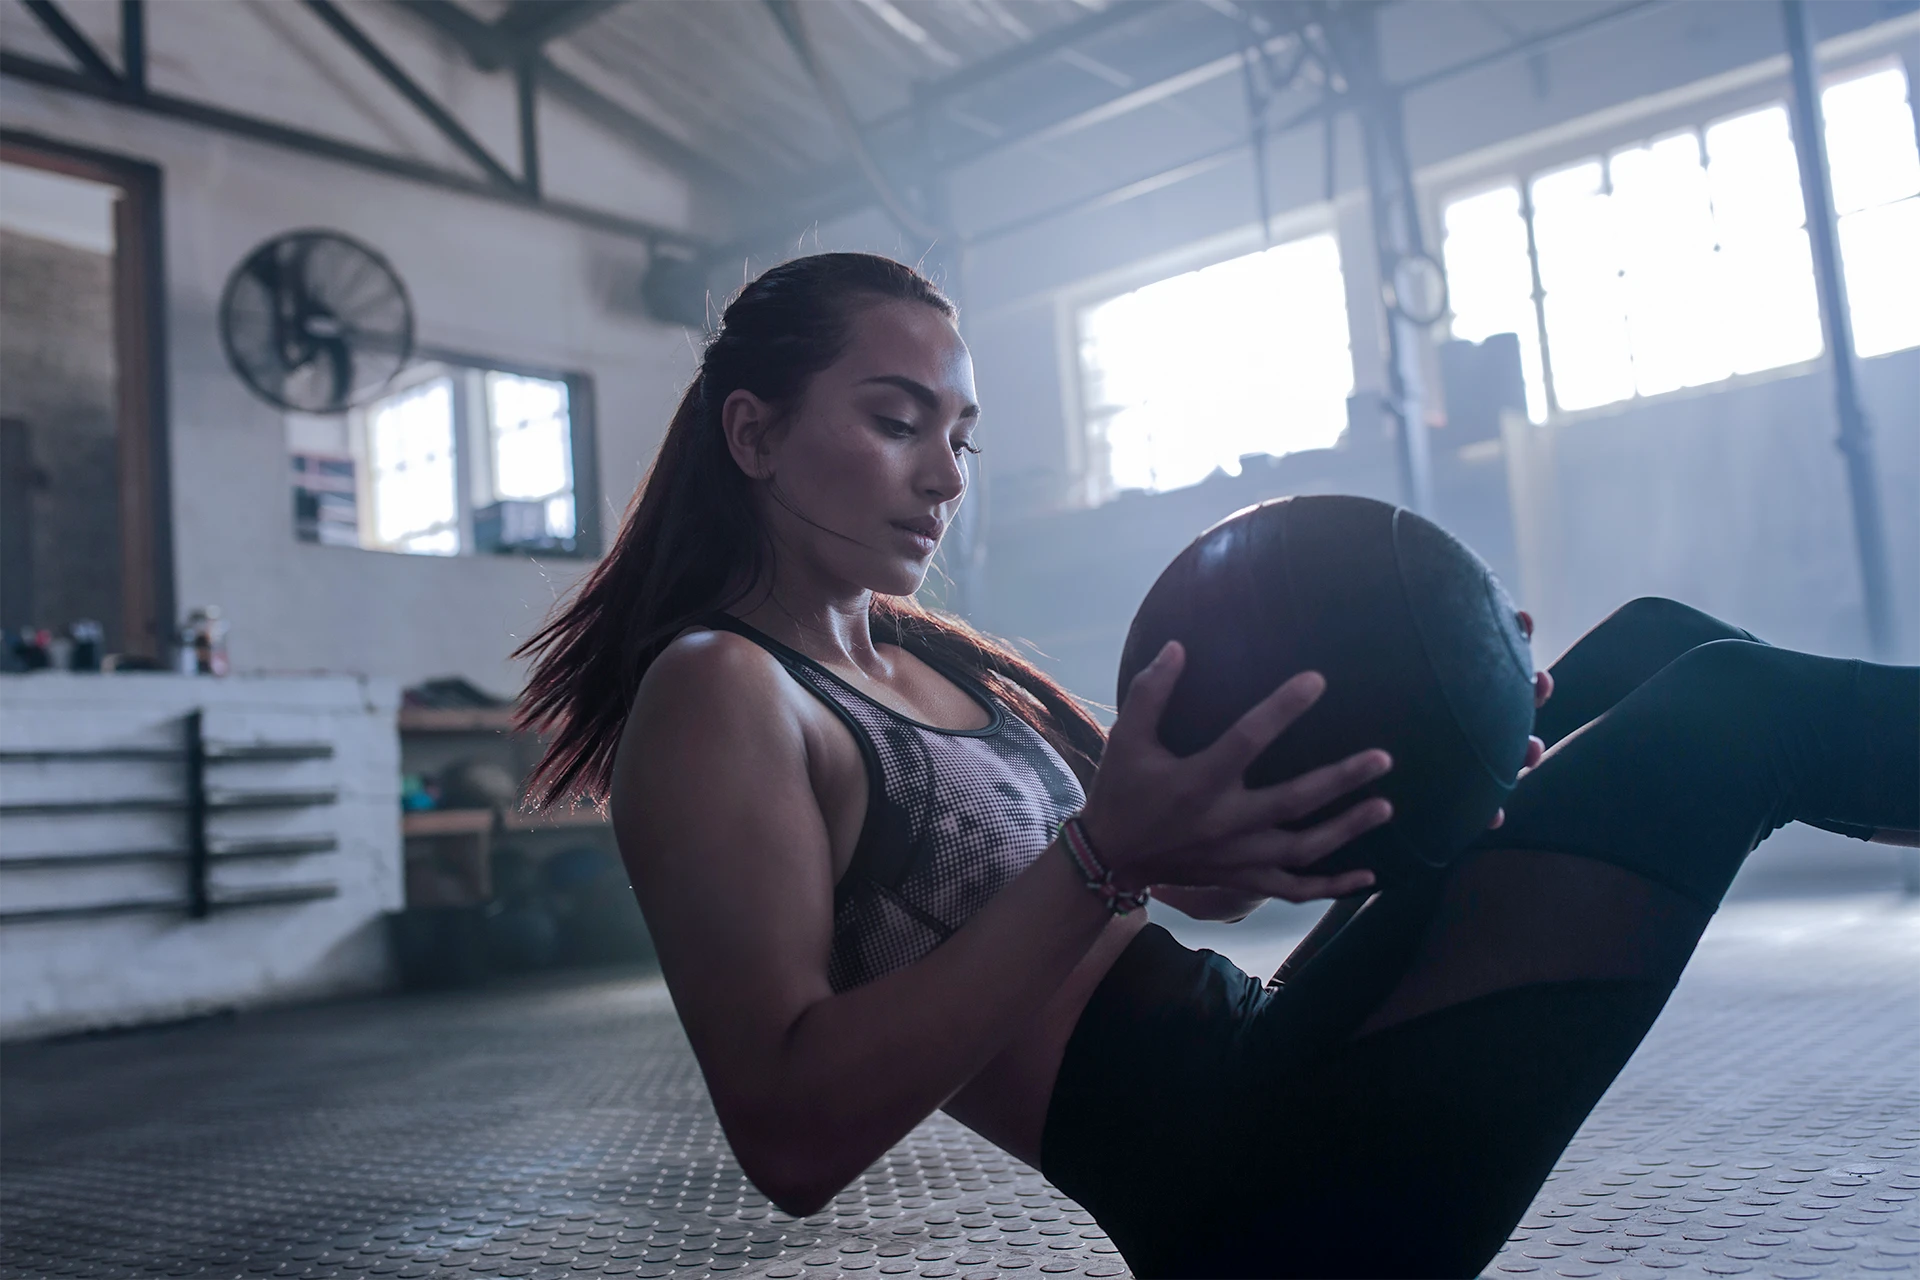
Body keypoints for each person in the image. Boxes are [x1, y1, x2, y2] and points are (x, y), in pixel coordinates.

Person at [515, 252, 1920, 1279]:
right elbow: (790, 1138)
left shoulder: (929, 661)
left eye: (960, 437)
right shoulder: (720, 693)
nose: (945, 475)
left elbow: (1194, 887)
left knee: (1657, 648)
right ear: (754, 432)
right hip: (1259, 1180)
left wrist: (1448, 755)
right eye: (896, 422)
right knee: (1739, 710)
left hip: (1270, 1047)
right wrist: (1099, 859)